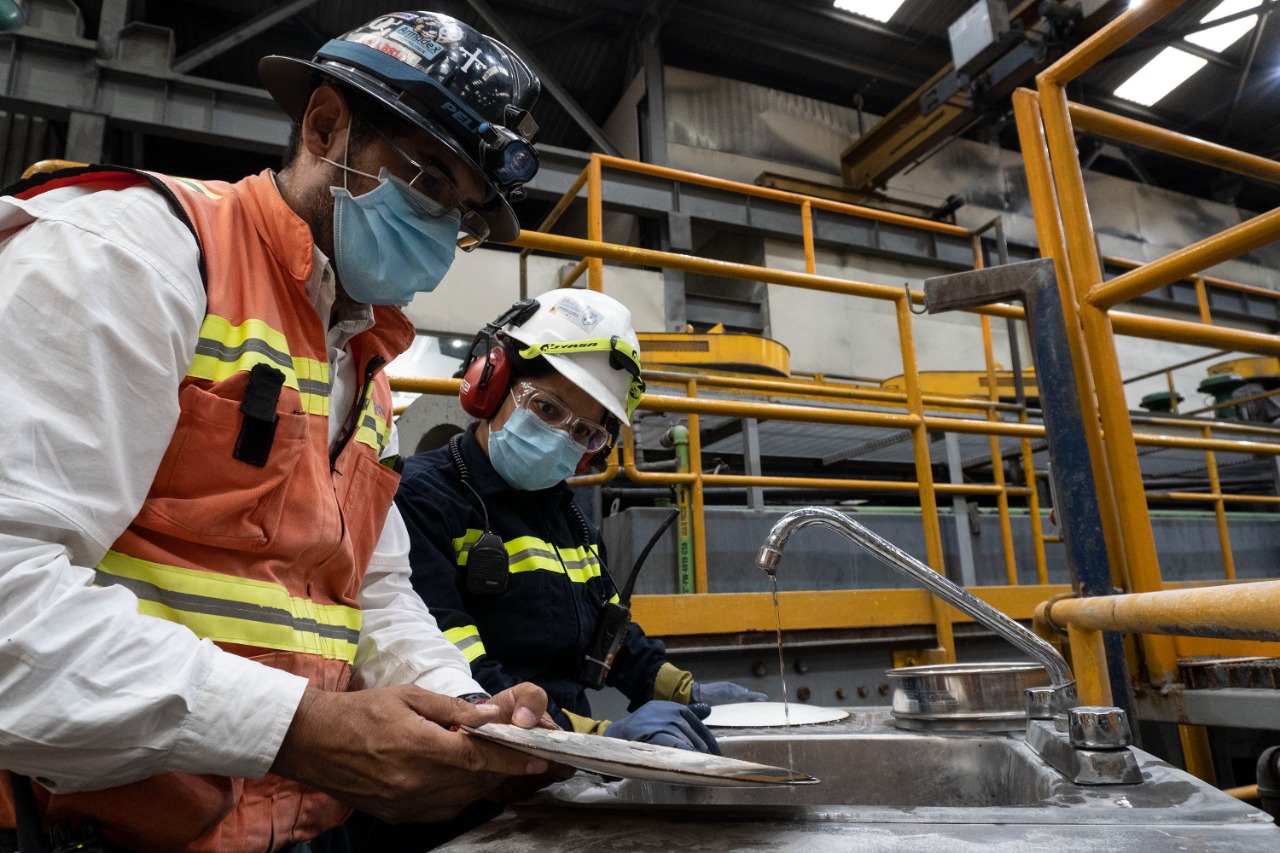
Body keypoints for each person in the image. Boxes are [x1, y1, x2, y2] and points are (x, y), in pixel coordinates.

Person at [0, 11, 557, 853]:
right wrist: (300, 727)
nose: (442, 232)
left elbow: (368, 591)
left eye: (465, 213)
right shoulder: (132, 255)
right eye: (429, 181)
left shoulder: (359, 364)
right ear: (326, 126)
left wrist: (467, 710)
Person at [399, 290, 769, 743]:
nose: (559, 437)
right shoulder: (419, 497)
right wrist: (594, 735)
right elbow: (454, 669)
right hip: (476, 763)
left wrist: (685, 691)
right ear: (491, 384)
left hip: (561, 763)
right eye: (546, 408)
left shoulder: (571, 523)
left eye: (583, 432)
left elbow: (608, 638)